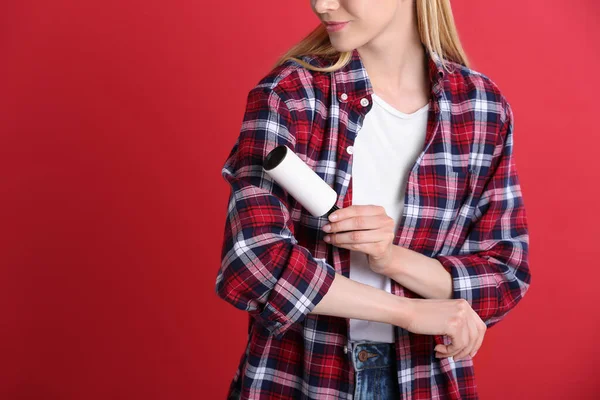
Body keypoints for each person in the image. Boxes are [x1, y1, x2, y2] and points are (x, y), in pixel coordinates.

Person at [214, 0, 532, 398]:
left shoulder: (480, 108)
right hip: (300, 378)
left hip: (425, 381)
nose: (321, 5)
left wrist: (391, 259)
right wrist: (409, 311)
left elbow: (504, 275)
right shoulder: (290, 95)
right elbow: (253, 264)